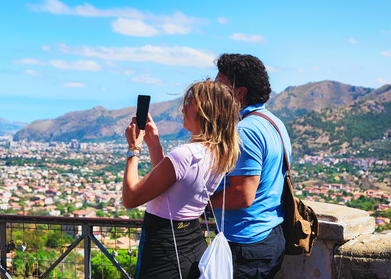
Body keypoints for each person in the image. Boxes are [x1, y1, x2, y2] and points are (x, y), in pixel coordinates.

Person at [123, 79, 240, 279]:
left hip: (162, 251)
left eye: (189, 102)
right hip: (192, 246)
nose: (183, 109)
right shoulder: (219, 154)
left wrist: (133, 149)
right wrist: (154, 144)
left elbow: (130, 198)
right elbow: (171, 190)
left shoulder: (186, 154)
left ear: (205, 110)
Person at [210, 54, 292, 279]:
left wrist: (203, 201)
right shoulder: (274, 123)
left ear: (239, 93)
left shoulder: (246, 131)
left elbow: (242, 195)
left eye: (220, 86)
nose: (214, 92)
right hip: (270, 234)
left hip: (247, 243)